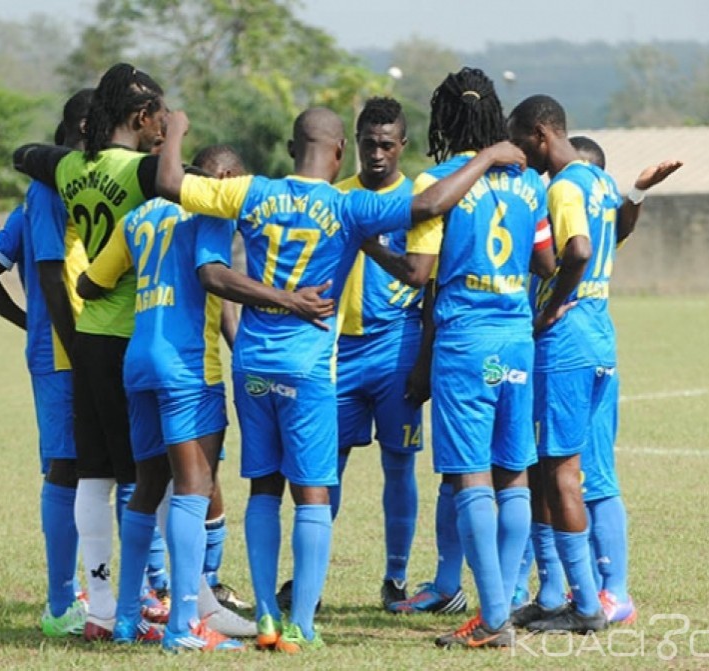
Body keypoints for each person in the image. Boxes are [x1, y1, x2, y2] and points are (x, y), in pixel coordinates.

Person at [156, 105, 528, 653]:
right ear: (338, 152)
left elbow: (168, 183)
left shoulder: (250, 192)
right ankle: (302, 623)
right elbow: (429, 203)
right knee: (311, 494)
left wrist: (179, 130)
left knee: (263, 487)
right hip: (309, 367)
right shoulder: (351, 205)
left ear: (291, 148)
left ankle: (265, 615)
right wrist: (492, 155)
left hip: (253, 361)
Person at [76, 143, 333, 652]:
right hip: (186, 364)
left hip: (139, 362)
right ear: (227, 177)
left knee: (147, 489)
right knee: (194, 489)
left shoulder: (139, 217)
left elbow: (89, 282)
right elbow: (211, 276)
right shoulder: (208, 210)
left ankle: (127, 620)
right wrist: (287, 301)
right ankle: (184, 625)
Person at [373, 67, 557, 649]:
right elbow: (548, 263)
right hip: (516, 340)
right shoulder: (530, 186)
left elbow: (416, 272)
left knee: (471, 476)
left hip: (465, 341)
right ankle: (502, 601)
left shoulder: (441, 180)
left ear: (445, 120)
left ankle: (495, 618)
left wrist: (369, 244)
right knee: (514, 475)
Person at [505, 94, 680, 634]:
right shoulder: (601, 182)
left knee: (556, 472)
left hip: (567, 346)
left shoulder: (560, 186)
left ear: (539, 134)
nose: (519, 152)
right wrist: (638, 190)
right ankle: (608, 594)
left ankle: (582, 603)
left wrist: (553, 303)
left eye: (519, 140)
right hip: (602, 338)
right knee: (595, 474)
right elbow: (618, 230)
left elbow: (577, 250)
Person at [13, 63, 168, 642]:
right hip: (131, 330)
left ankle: (102, 605)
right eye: (160, 114)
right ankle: (135, 604)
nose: (164, 123)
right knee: (147, 478)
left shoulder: (72, 168)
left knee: (96, 476)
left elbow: (26, 154)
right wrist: (178, 144)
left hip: (91, 332)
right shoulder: (145, 171)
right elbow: (193, 181)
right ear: (141, 117)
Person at [0, 89, 93, 638]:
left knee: (107, 467)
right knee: (66, 466)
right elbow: (41, 271)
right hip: (68, 352)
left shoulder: (79, 189)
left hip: (87, 344)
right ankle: (60, 604)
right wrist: (39, 327)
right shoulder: (46, 190)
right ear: (73, 134)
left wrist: (30, 326)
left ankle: (109, 590)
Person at [332, 97, 423, 610]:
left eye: (388, 144)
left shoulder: (418, 199)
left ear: (402, 145)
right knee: (327, 466)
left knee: (400, 465)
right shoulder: (336, 197)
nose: (378, 154)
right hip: (339, 351)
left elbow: (426, 278)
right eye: (369, 144)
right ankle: (310, 577)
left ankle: (396, 578)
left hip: (397, 348)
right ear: (356, 143)